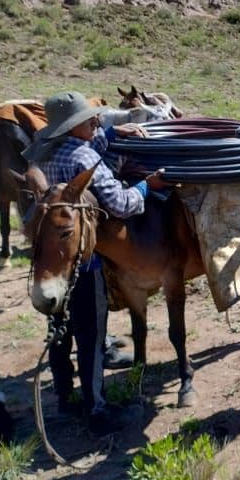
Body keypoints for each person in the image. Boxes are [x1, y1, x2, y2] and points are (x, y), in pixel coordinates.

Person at [26, 91, 168, 436]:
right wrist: (147, 187)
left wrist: (115, 133)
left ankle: (63, 397)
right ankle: (97, 411)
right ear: (72, 128)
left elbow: (91, 144)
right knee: (91, 333)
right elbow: (121, 205)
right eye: (87, 120)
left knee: (58, 328)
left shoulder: (43, 154)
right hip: (82, 264)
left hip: (51, 259)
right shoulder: (83, 158)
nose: (95, 121)